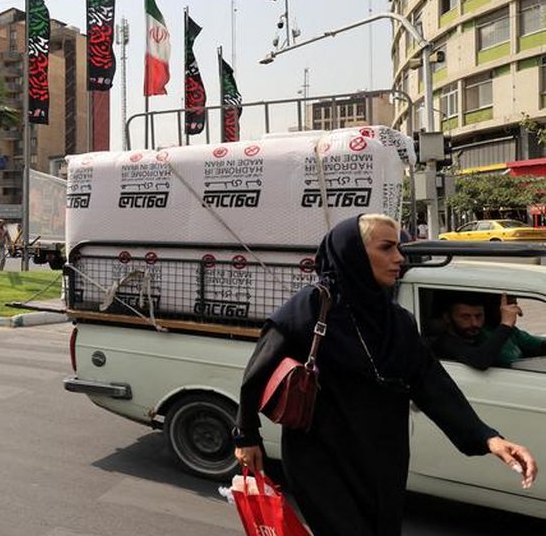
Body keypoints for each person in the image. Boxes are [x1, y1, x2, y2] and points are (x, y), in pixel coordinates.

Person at [234, 214, 536, 535]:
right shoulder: (311, 307)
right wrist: (247, 435)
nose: (399, 259)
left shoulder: (397, 321)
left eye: (399, 248)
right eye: (387, 248)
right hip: (321, 459)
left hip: (383, 462)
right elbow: (258, 369)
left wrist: (488, 438)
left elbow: (432, 384)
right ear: (354, 253)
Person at [433, 292, 546, 370]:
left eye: (479, 316)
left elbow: (536, 345)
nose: (474, 323)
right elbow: (480, 360)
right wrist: (506, 323)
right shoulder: (446, 343)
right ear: (447, 318)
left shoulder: (489, 331)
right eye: (465, 317)